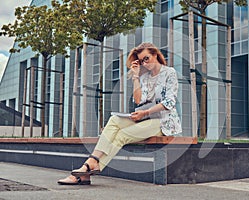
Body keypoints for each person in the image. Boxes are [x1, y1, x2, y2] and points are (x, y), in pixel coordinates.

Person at [58, 42, 182, 185]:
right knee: (114, 120)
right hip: (145, 118)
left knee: (121, 135)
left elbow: (169, 103)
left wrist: (145, 112)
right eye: (141, 61)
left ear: (155, 54)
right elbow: (138, 100)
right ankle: (90, 165)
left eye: (146, 58)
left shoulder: (169, 72)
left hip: (164, 122)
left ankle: (86, 169)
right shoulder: (145, 77)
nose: (144, 63)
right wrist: (135, 76)